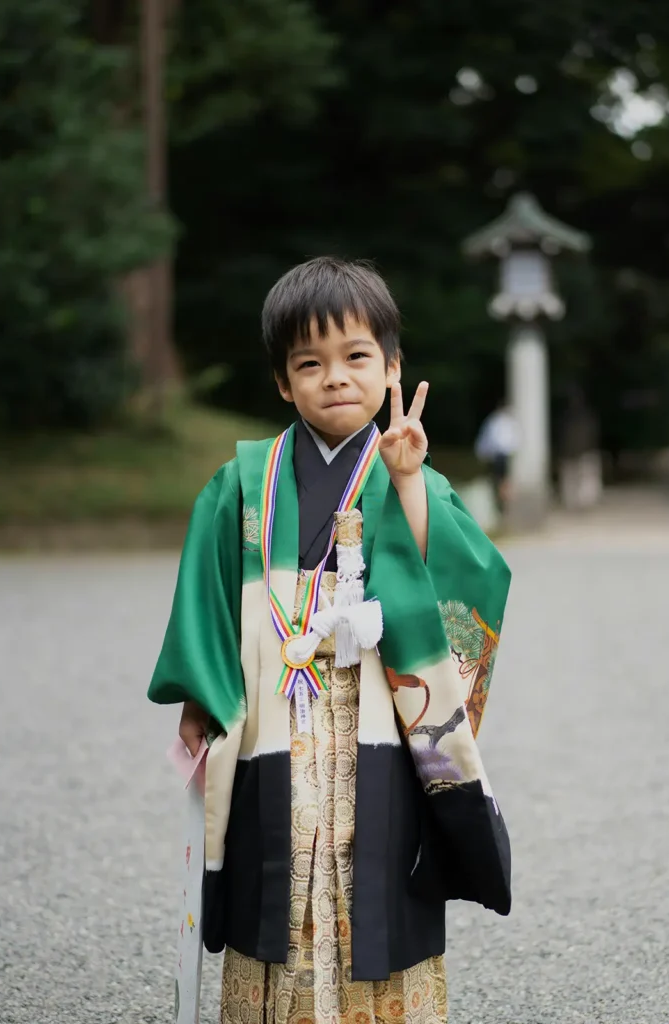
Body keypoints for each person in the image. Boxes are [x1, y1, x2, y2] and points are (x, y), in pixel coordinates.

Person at [149, 257, 512, 1024]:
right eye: (309, 364)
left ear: (391, 368)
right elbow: (207, 594)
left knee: (372, 866)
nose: (335, 378)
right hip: (271, 713)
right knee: (270, 869)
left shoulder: (407, 471)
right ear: (284, 383)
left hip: (374, 714)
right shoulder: (244, 481)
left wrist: (410, 482)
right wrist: (196, 691)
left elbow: (453, 581)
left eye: (355, 358)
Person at [475, 401, 519, 515]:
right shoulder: (500, 421)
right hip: (499, 456)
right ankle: (503, 504)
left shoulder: (498, 421)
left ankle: (503, 504)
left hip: (500, 456)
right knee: (501, 480)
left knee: (501, 481)